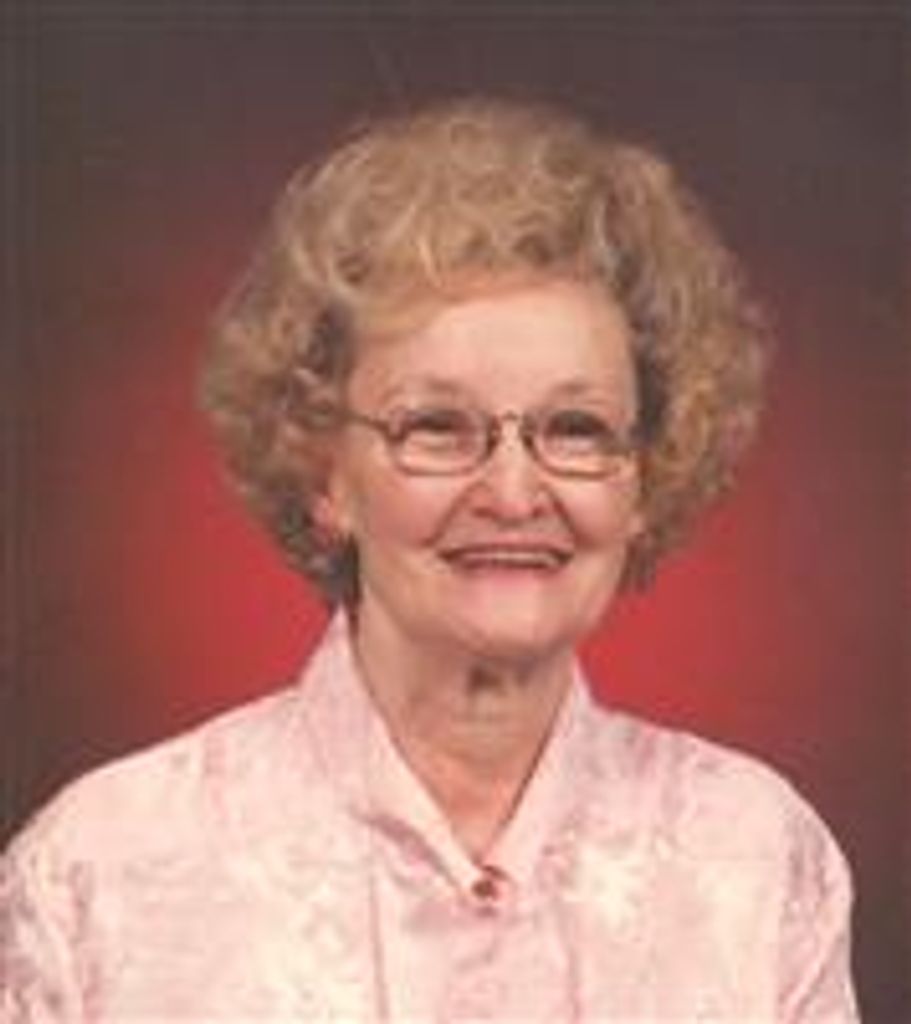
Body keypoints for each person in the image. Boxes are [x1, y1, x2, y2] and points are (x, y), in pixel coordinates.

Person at [1, 98, 857, 1021]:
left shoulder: (758, 861)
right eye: (437, 427)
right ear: (324, 469)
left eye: (575, 428)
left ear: (644, 477)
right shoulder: (97, 875)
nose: (513, 493)